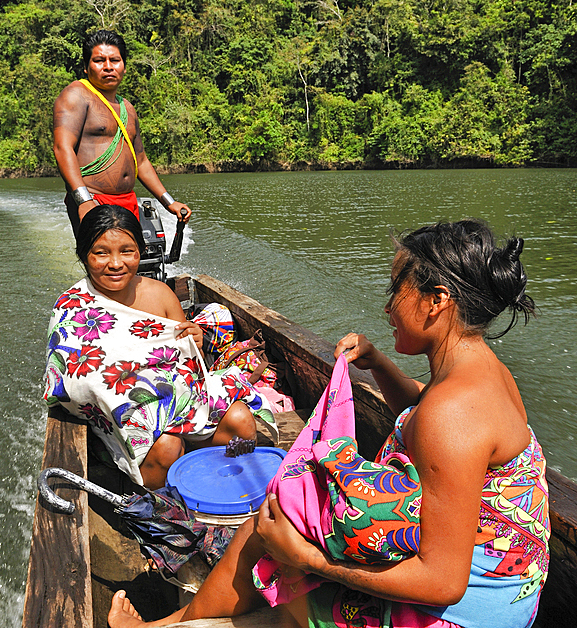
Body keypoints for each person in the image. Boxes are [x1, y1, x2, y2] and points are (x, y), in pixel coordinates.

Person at [108, 219, 550, 628]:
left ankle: (168, 626)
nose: (387, 305)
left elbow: (442, 582)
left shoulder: (453, 415)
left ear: (437, 301)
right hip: (503, 583)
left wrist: (308, 560)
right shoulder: (482, 373)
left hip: (462, 611)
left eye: (397, 287)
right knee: (274, 524)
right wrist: (378, 364)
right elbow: (422, 412)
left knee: (278, 563)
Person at [42, 205, 275, 489]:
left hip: (181, 403)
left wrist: (196, 341)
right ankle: (157, 501)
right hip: (120, 422)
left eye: (127, 251)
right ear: (84, 256)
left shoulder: (160, 294)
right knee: (166, 444)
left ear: (141, 251)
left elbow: (190, 366)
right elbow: (74, 383)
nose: (116, 263)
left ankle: (222, 486)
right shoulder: (73, 306)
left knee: (241, 422)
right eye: (101, 253)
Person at [52, 30, 192, 239]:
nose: (108, 66)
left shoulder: (127, 108)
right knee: (108, 266)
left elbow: (141, 162)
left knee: (132, 262)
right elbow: (63, 148)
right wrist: (84, 201)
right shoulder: (77, 94)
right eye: (99, 60)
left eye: (115, 60)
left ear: (124, 67)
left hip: (128, 201)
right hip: (93, 200)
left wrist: (169, 202)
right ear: (86, 66)